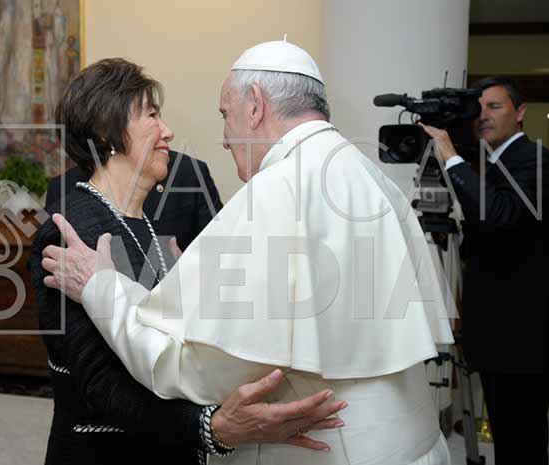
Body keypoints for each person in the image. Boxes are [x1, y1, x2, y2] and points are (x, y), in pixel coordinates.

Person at [42, 42, 455, 465]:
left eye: (226, 115)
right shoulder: (369, 175)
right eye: (152, 116)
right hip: (411, 442)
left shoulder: (279, 190)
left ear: (255, 106)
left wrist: (102, 288)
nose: (223, 139)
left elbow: (191, 372)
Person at [29, 57, 348, 465]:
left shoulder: (150, 227)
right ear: (107, 132)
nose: (168, 131)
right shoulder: (71, 232)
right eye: (152, 115)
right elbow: (102, 385)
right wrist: (210, 427)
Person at [421, 76, 549, 465]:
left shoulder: (535, 160)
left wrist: (450, 155)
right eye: (478, 109)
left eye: (494, 107)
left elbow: (497, 214)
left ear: (520, 112)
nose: (483, 116)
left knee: (521, 443)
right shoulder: (494, 164)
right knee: (510, 436)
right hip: (501, 334)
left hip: (522, 339)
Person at [45, 149, 223, 250]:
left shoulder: (188, 173)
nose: (167, 131)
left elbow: (221, 256)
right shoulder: (63, 188)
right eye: (150, 115)